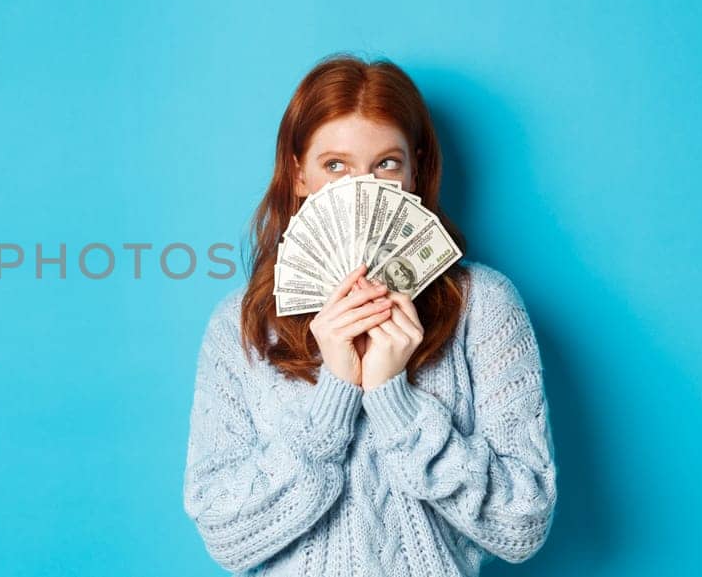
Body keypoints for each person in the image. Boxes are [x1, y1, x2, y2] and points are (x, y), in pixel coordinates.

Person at [181, 53, 558, 576]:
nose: (363, 189)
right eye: (335, 166)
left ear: (415, 171)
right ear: (298, 175)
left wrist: (394, 402)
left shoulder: (484, 307)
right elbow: (226, 536)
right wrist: (334, 393)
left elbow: (524, 525)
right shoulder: (240, 326)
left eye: (386, 163)